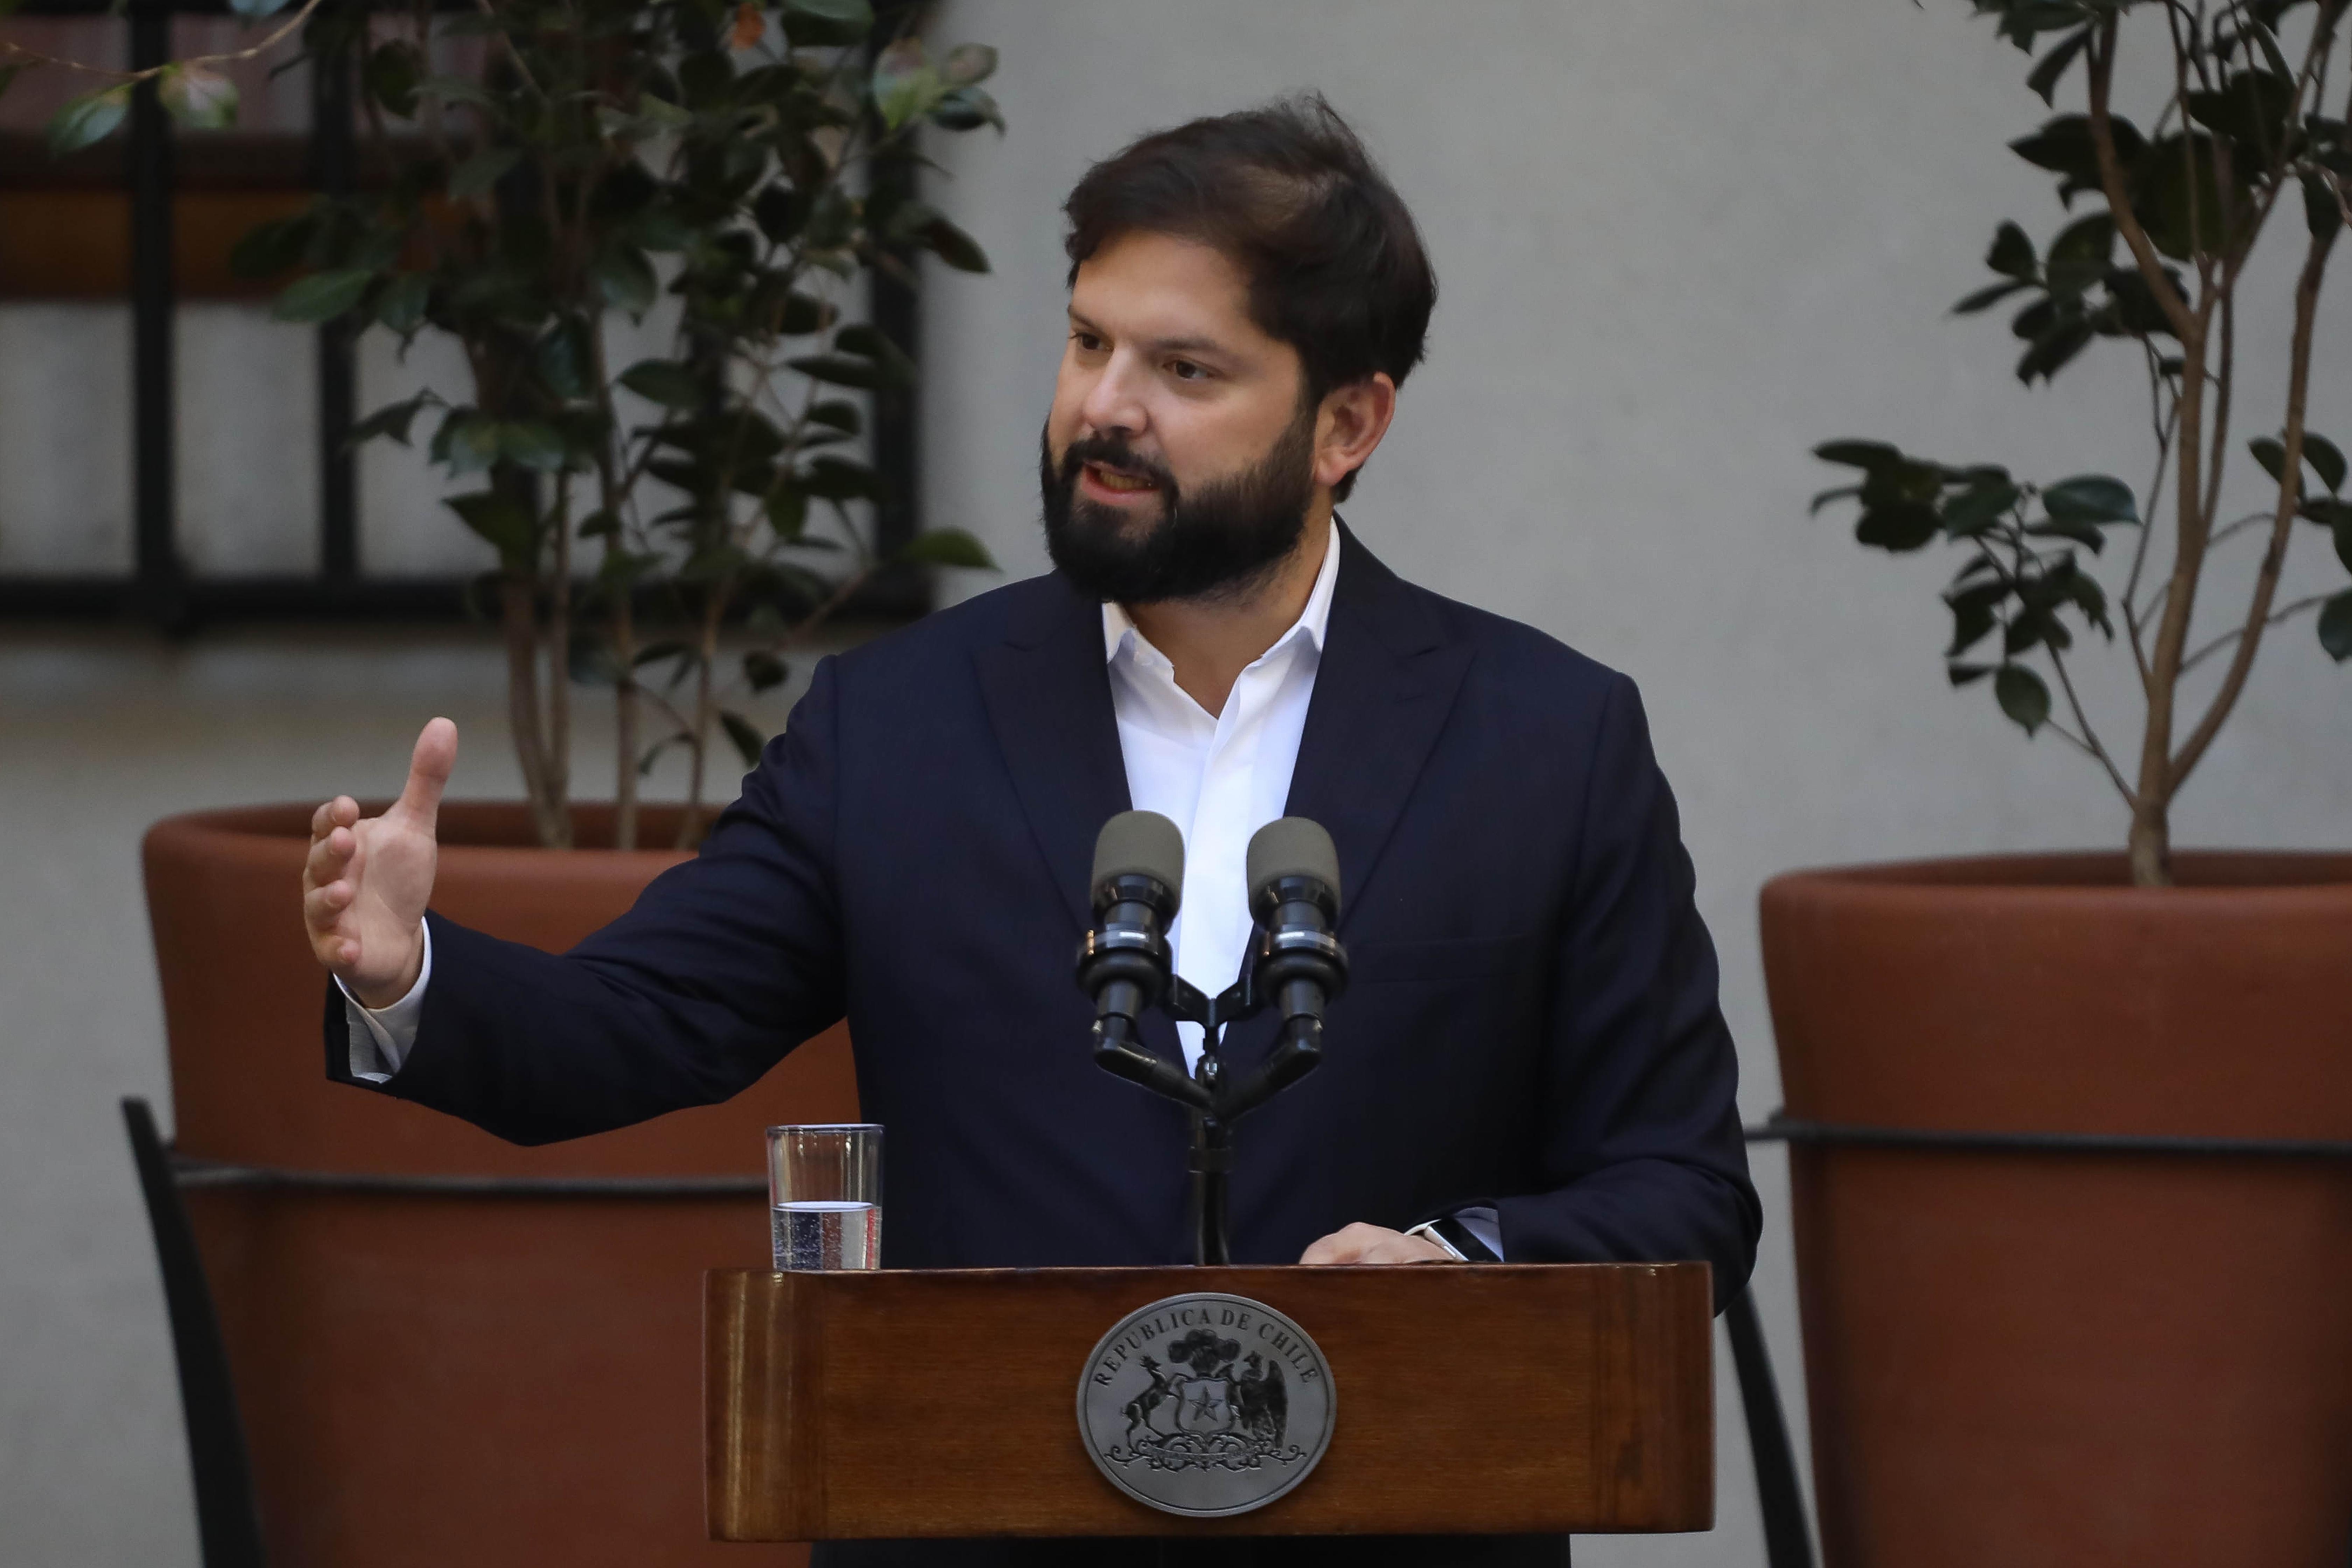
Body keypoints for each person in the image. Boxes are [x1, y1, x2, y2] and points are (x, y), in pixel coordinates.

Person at [303, 95, 1757, 1567]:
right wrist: (406, 971)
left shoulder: (1546, 738)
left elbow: (1685, 1191)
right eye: (1086, 342)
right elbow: (637, 1022)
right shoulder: (898, 723)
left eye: (1183, 368)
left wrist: (1455, 1264)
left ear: (1347, 424)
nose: (1104, 407)